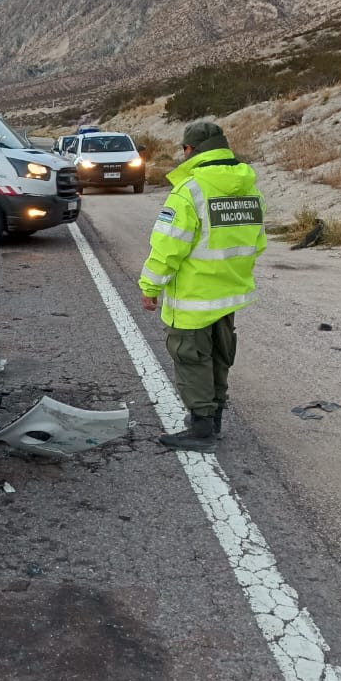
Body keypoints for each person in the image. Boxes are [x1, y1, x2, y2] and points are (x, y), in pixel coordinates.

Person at [138, 121, 266, 451]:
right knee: (220, 357)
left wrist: (150, 286)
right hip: (229, 291)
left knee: (192, 358)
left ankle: (202, 429)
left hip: (194, 296)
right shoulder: (249, 188)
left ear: (190, 151)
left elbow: (168, 246)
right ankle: (215, 417)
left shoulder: (190, 190)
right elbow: (257, 242)